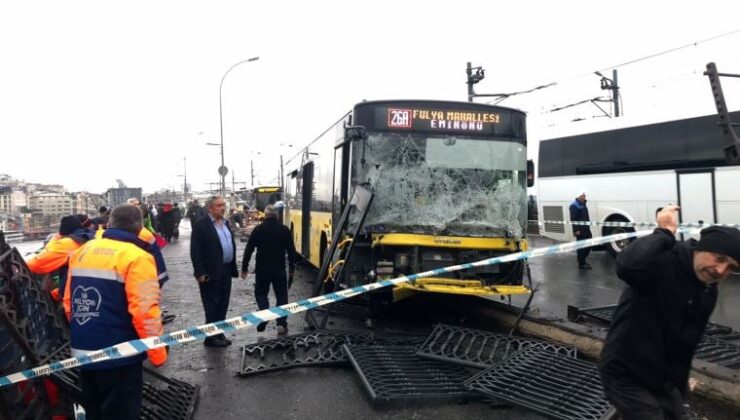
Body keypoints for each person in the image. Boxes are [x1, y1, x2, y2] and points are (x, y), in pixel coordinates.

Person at [599, 206, 740, 419]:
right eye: (719, 258)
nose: (721, 270)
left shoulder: (708, 289)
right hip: (625, 372)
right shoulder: (664, 263)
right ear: (702, 248)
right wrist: (663, 233)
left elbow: (686, 343)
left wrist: (679, 387)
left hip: (663, 379)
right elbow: (627, 266)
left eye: (730, 267)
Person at [63, 204, 167, 419]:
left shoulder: (83, 251)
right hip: (119, 356)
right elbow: (144, 311)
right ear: (139, 228)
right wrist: (157, 353)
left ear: (109, 224)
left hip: (83, 352)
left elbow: (68, 303)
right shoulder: (137, 257)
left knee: (95, 412)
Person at [241, 204, 298, 335]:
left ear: (265, 215)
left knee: (261, 293)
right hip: (279, 269)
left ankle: (265, 312)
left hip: (262, 269)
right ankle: (281, 324)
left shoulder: (258, 230)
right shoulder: (284, 230)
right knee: (282, 296)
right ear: (277, 215)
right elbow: (291, 252)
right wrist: (292, 269)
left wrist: (244, 268)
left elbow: (249, 250)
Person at [190, 196, 238, 347]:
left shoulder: (225, 223)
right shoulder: (201, 226)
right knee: (212, 305)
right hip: (210, 272)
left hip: (226, 269)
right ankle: (210, 338)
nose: (222, 208)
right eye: (219, 206)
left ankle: (219, 333)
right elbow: (196, 251)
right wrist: (200, 272)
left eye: (223, 205)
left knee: (223, 303)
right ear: (210, 208)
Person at [27, 215, 94, 301]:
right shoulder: (92, 238)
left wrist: (17, 266)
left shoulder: (67, 244)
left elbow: (36, 264)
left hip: (75, 299)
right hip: (91, 292)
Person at [570, 190, 592, 269]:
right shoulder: (574, 206)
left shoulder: (583, 204)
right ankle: (581, 263)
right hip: (580, 230)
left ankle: (582, 259)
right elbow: (573, 219)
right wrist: (576, 230)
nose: (584, 197)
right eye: (582, 196)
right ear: (578, 196)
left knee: (589, 244)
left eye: (584, 196)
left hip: (586, 228)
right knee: (582, 246)